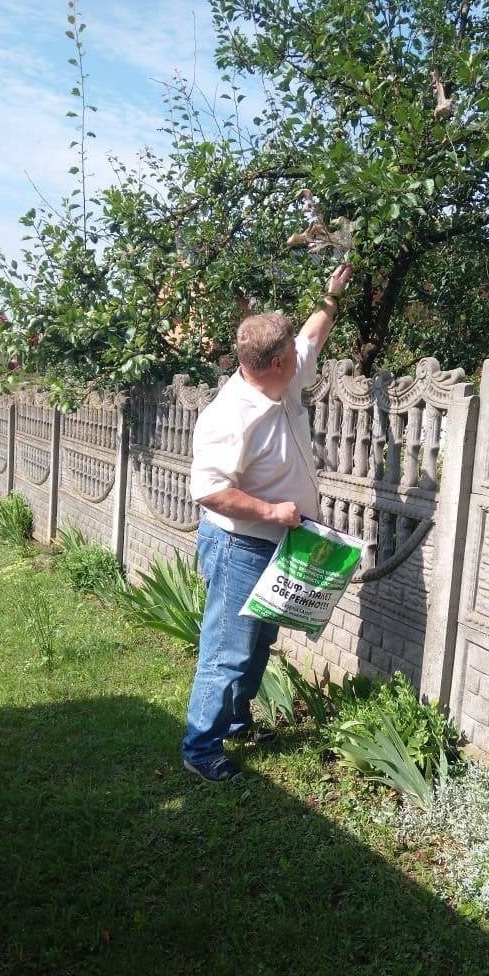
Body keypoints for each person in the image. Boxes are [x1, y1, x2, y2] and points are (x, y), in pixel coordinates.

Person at [183, 262, 354, 781]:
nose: (301, 359)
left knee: (258, 645)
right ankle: (200, 749)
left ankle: (237, 724)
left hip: (276, 545)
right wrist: (270, 511)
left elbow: (311, 337)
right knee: (227, 650)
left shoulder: (283, 377)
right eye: (291, 356)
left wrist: (330, 297)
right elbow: (208, 490)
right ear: (276, 362)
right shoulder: (228, 416)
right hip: (239, 546)